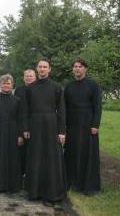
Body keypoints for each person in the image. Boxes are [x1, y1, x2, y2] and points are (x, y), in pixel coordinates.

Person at [24, 58, 67, 206]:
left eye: (45, 67)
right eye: (40, 67)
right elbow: (26, 110)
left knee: (50, 159)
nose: (42, 69)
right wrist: (26, 128)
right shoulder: (30, 88)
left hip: (51, 126)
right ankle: (34, 192)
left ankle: (51, 194)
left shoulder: (56, 87)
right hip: (34, 126)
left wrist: (62, 131)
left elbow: (61, 110)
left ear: (49, 70)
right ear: (37, 69)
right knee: (35, 158)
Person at [64, 58, 102, 195]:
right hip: (72, 124)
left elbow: (98, 106)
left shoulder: (93, 85)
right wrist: (64, 127)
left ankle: (89, 186)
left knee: (88, 154)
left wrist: (95, 124)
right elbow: (64, 107)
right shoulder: (68, 86)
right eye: (75, 66)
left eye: (80, 66)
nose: (77, 69)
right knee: (71, 153)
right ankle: (71, 182)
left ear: (85, 69)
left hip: (88, 124)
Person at [0, 74, 24, 193]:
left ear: (12, 85)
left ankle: (12, 186)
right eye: (3, 83)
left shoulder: (17, 100)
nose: (6, 85)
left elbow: (20, 118)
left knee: (12, 159)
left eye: (8, 83)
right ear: (0, 85)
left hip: (13, 133)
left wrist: (20, 135)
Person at [14, 69, 36, 178]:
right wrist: (19, 132)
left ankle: (32, 176)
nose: (29, 78)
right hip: (21, 124)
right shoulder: (19, 90)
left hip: (35, 125)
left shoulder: (38, 89)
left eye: (31, 76)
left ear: (35, 77)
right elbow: (17, 111)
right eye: (27, 76)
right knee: (22, 152)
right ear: (23, 78)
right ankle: (21, 175)